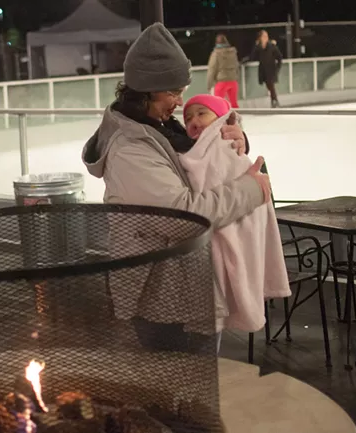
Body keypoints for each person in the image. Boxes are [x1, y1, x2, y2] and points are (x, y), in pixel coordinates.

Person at [81, 23, 272, 354]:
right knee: (180, 393)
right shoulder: (131, 149)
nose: (180, 101)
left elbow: (202, 166)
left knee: (190, 391)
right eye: (173, 92)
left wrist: (234, 141)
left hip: (184, 287)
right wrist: (251, 190)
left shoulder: (160, 128)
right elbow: (182, 216)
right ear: (146, 90)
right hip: (162, 296)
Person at [181, 94, 291, 336]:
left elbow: (213, 168)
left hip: (230, 216)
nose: (194, 121)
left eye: (201, 113)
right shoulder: (196, 145)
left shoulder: (223, 144)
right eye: (188, 118)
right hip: (219, 215)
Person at [247, 30, 283, 108]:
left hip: (271, 69)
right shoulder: (258, 47)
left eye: (266, 36)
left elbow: (279, 57)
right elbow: (252, 57)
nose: (266, 38)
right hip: (263, 70)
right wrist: (255, 46)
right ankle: (274, 101)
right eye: (264, 36)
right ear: (260, 38)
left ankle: (275, 101)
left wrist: (277, 68)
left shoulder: (272, 46)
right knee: (269, 86)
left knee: (271, 85)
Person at [207, 34, 240, 108]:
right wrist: (236, 77)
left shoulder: (216, 54)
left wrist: (209, 85)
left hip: (221, 82)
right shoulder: (233, 52)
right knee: (234, 104)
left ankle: (221, 118)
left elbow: (212, 69)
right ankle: (237, 118)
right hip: (233, 81)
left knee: (218, 105)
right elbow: (236, 66)